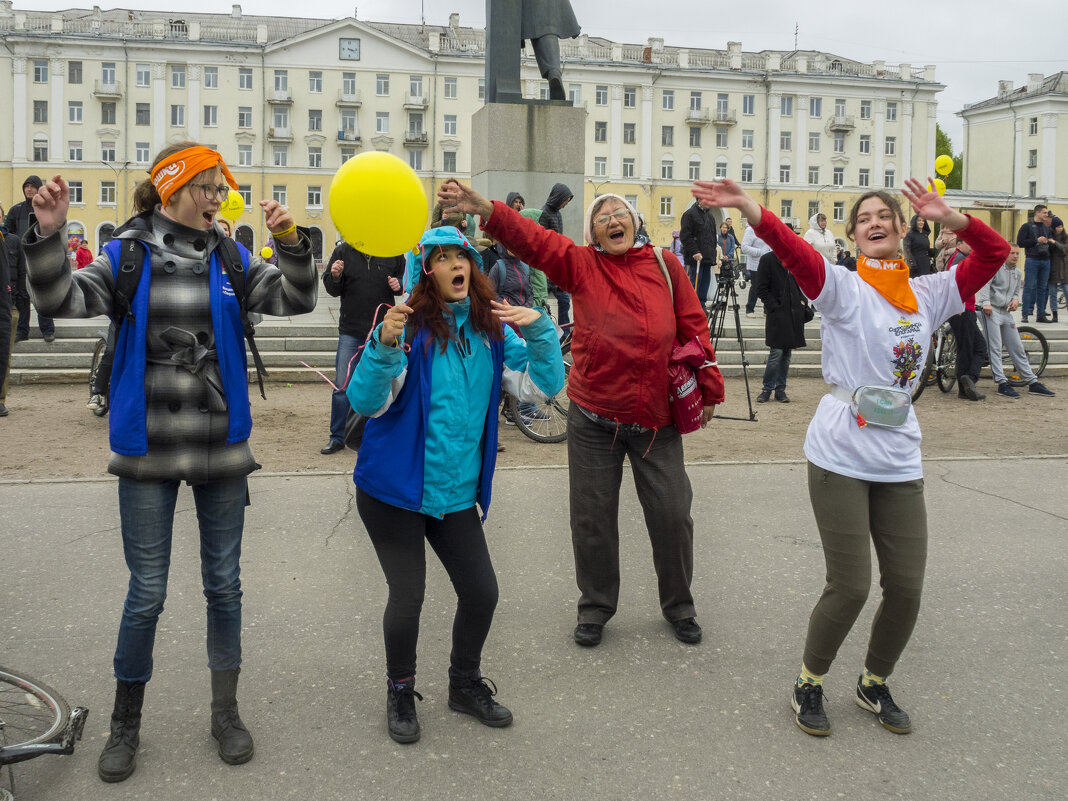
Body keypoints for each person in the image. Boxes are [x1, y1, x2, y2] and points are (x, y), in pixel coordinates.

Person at [23, 143, 318, 781]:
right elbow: (59, 302)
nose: (220, 198)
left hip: (221, 447)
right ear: (172, 189)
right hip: (148, 445)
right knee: (147, 593)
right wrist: (48, 237)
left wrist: (291, 241)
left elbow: (297, 300)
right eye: (209, 187)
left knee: (224, 587)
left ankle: (226, 713)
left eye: (221, 188)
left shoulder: (233, 255)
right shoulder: (126, 254)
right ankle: (125, 723)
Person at [692, 176, 1009, 738]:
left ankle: (873, 682)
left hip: (899, 455)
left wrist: (954, 218)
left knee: (907, 587)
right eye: (863, 219)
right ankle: (809, 682)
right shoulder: (841, 287)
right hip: (839, 450)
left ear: (903, 227)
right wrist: (751, 210)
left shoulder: (933, 292)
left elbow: (996, 252)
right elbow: (795, 254)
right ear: (854, 234)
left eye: (883, 215)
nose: (874, 223)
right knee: (852, 585)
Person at [438, 179, 725, 648]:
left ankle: (679, 606)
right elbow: (535, 239)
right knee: (591, 520)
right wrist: (486, 209)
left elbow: (694, 327)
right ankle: (595, 607)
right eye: (602, 216)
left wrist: (710, 388)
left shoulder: (665, 264)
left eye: (620, 213)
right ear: (592, 233)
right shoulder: (582, 265)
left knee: (674, 516)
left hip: (657, 420)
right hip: (594, 418)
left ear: (636, 222)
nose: (613, 220)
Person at [346, 225, 563, 744]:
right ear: (428, 271)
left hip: (454, 494)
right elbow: (364, 403)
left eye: (460, 256)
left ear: (471, 265)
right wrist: (381, 347)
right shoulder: (408, 327)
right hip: (394, 491)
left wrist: (542, 333)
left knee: (482, 592)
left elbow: (540, 387)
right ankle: (401, 690)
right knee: (409, 596)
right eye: (441, 258)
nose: (454, 265)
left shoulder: (493, 332)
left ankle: (463, 685)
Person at [319, 241, 405, 455]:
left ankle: (376, 434)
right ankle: (338, 436)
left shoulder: (392, 250)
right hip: (351, 329)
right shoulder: (342, 251)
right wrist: (335, 275)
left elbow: (405, 282)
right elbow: (331, 288)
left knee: (383, 383)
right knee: (342, 386)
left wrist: (399, 284)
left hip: (381, 334)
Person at [978, 245, 1056, 399]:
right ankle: (1001, 383)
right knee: (995, 347)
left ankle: (1032, 382)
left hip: (1005, 312)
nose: (1015, 256)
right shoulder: (995, 268)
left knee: (1017, 347)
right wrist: (985, 302)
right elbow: (985, 284)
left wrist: (1015, 301)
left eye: (1017, 253)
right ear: (1005, 254)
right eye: (1012, 253)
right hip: (990, 310)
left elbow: (1015, 292)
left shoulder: (1018, 272)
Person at [754, 250, 810, 403]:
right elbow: (761, 288)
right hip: (778, 314)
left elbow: (799, 283)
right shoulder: (767, 259)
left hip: (793, 312)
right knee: (776, 353)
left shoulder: (793, 258)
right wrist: (774, 306)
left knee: (786, 355)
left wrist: (802, 301)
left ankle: (780, 389)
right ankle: (767, 389)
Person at [5, 175, 55, 343]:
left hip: (41, 259)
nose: (29, 189)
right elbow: (7, 233)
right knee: (23, 296)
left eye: (32, 186)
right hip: (21, 260)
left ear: (38, 188)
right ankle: (22, 330)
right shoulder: (16, 210)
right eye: (26, 186)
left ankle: (47, 330)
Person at [944, 242, 987, 401]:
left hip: (962, 308)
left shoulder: (957, 257)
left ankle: (967, 383)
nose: (972, 247)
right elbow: (954, 283)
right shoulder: (960, 259)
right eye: (969, 244)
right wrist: (959, 304)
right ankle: (968, 382)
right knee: (971, 348)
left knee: (972, 348)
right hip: (963, 310)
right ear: (960, 244)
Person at [539, 183, 574, 325]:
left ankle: (564, 331)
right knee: (544, 304)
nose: (566, 204)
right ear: (559, 198)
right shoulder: (544, 213)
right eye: (566, 200)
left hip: (558, 263)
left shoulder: (558, 214)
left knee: (565, 300)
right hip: (547, 265)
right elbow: (542, 241)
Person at [1016, 204, 1052, 323]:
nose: (1046, 215)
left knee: (1042, 288)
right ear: (1037, 213)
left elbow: (1050, 241)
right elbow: (1020, 242)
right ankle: (1025, 313)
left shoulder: (1047, 227)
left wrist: (1050, 242)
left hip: (1045, 260)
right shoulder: (1027, 226)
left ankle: (1040, 314)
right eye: (1044, 213)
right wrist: (1036, 240)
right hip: (1032, 259)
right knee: (1029, 287)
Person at [680, 197, 718, 303]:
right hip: (695, 258)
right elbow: (685, 236)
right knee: (695, 283)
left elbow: (713, 238)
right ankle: (691, 305)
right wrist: (695, 251)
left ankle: (702, 305)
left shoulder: (710, 217)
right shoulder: (689, 214)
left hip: (707, 258)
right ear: (700, 199)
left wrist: (713, 254)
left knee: (705, 283)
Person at [1047, 216, 1066, 322]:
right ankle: (1055, 315)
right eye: (1058, 226)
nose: (1060, 228)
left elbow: (1065, 249)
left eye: (1061, 226)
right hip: (1052, 268)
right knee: (1053, 293)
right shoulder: (1049, 236)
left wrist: (1055, 243)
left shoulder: (1065, 237)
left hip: (1064, 269)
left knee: (1067, 291)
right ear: (1053, 228)